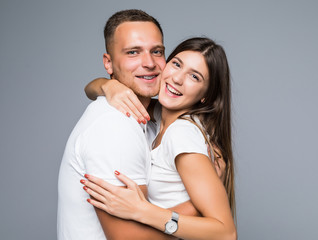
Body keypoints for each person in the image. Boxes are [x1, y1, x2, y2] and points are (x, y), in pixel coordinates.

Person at [58, 9, 198, 240]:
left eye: (157, 51)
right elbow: (131, 237)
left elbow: (90, 88)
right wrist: (199, 201)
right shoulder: (114, 127)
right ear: (108, 63)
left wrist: (104, 85)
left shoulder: (150, 116)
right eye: (133, 52)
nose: (149, 63)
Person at [81, 37, 237, 240]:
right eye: (176, 64)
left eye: (194, 77)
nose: (177, 79)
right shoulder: (162, 115)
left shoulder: (181, 134)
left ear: (205, 96)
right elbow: (89, 89)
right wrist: (109, 86)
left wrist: (142, 211)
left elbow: (226, 233)